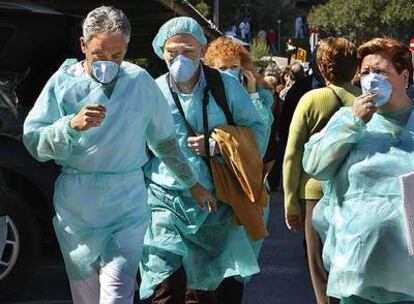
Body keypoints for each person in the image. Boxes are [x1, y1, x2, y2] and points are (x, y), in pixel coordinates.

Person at [22, 7, 215, 304]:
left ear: (126, 48)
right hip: (77, 208)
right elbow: (35, 141)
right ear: (84, 45)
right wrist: (70, 126)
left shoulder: (139, 83)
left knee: (116, 294)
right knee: (86, 298)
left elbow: (165, 143)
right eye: (99, 55)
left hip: (127, 203)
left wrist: (193, 183)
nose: (108, 64)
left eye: (117, 56)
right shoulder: (63, 84)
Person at [140, 17, 268, 304]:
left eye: (188, 51)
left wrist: (217, 145)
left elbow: (257, 134)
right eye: (172, 51)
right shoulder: (153, 91)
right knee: (165, 288)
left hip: (218, 203)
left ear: (201, 49)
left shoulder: (225, 87)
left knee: (205, 291)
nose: (180, 58)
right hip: (165, 201)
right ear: (162, 50)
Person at [303, 37, 414, 304]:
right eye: (365, 72)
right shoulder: (346, 118)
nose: (371, 78)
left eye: (380, 71)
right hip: (356, 267)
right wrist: (353, 123)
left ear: (405, 76)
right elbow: (315, 165)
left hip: (407, 275)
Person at [284, 37, 361, 304]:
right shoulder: (366, 101)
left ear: (321, 65)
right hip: (357, 194)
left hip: (315, 194)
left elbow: (293, 154)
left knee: (319, 267)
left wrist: (290, 200)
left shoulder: (311, 99)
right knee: (353, 262)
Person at [204, 36, 274, 147]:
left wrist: (252, 94)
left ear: (243, 69)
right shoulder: (205, 94)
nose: (229, 72)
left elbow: (262, 132)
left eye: (234, 67)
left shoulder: (262, 96)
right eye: (222, 68)